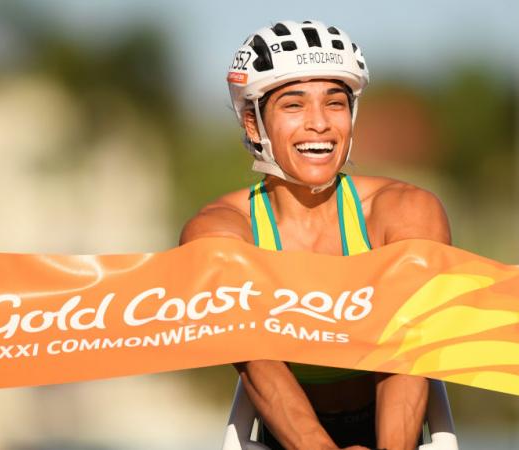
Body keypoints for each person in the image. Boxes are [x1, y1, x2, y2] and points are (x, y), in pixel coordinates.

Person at [180, 20, 451, 450]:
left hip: (396, 424)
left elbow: (409, 350)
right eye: (294, 105)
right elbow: (257, 363)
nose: (320, 124)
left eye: (335, 103)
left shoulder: (406, 209)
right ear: (254, 125)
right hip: (285, 433)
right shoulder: (219, 228)